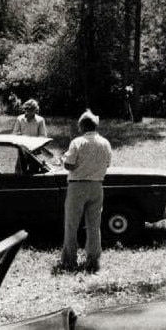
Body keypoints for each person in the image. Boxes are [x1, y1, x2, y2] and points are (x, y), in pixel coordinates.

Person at [59, 109, 112, 273]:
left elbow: (69, 165)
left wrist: (63, 158)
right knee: (94, 225)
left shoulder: (77, 142)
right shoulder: (105, 143)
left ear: (83, 126)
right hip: (97, 186)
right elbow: (107, 164)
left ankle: (69, 260)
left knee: (71, 224)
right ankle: (93, 260)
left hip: (78, 185)